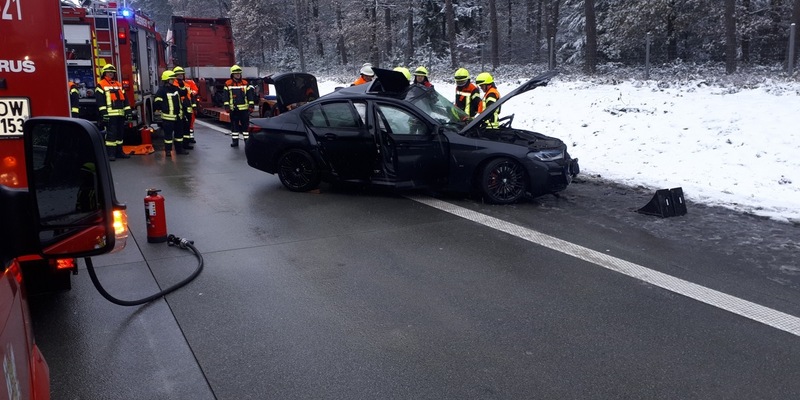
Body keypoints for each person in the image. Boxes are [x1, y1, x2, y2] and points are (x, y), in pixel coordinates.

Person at [95, 64, 131, 161]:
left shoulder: (118, 84)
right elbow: (100, 101)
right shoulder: (101, 85)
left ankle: (119, 152)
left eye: (112, 72)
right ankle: (110, 154)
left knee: (120, 134)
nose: (110, 73)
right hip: (110, 115)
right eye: (108, 72)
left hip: (120, 114)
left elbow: (125, 100)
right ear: (104, 73)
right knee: (111, 135)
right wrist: (104, 114)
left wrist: (128, 112)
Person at [154, 71, 187, 157]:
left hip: (178, 117)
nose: (173, 81)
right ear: (167, 80)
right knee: (168, 136)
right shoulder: (162, 90)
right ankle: (168, 151)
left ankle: (179, 150)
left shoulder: (176, 88)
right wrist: (164, 107)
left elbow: (184, 93)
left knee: (179, 135)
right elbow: (157, 101)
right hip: (168, 118)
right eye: (171, 79)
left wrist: (182, 84)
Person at [223, 64, 255, 147]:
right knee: (234, 126)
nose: (238, 75)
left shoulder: (245, 83)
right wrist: (227, 106)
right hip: (233, 109)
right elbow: (225, 96)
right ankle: (235, 142)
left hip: (244, 109)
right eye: (236, 73)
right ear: (232, 74)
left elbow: (250, 95)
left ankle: (247, 142)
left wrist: (251, 105)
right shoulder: (228, 84)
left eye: (239, 73)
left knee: (245, 127)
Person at [173, 66, 199, 145]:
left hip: (188, 106)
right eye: (178, 74)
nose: (180, 76)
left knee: (190, 123)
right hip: (179, 107)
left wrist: (194, 106)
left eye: (181, 74)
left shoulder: (187, 83)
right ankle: (182, 142)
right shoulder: (174, 85)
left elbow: (192, 94)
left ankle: (189, 139)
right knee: (181, 125)